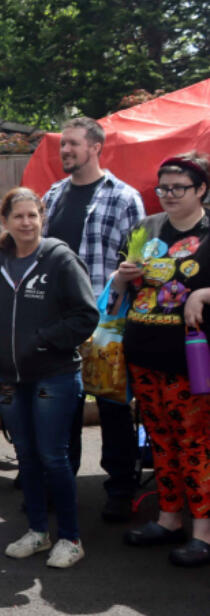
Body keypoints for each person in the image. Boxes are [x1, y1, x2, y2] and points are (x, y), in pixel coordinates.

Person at [0, 187, 97, 569]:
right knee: (27, 457)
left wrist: (42, 341)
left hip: (54, 375)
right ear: (5, 221)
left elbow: (85, 315)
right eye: (19, 217)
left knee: (53, 457)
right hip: (10, 377)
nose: (27, 223)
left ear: (42, 217)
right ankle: (37, 531)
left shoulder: (60, 258)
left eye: (33, 215)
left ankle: (71, 538)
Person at [41, 117, 146, 522]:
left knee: (113, 406)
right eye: (62, 145)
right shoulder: (52, 196)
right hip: (60, 319)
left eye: (72, 144)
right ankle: (60, 484)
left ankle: (120, 487)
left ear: (96, 146)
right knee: (62, 404)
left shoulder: (124, 197)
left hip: (107, 321)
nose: (65, 151)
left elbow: (136, 262)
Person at [118, 154, 210, 566]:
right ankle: (169, 518)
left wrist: (204, 294)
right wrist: (122, 276)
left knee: (195, 443)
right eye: (163, 188)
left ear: (201, 190)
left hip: (190, 359)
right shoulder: (147, 228)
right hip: (143, 352)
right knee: (160, 440)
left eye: (178, 188)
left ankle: (203, 533)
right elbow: (127, 280)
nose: (168, 196)